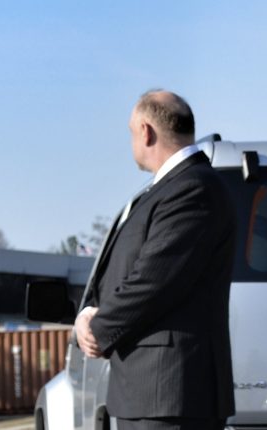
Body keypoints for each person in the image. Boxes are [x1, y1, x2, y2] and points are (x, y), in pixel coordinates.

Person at [73, 90, 237, 430]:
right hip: (150, 393)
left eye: (131, 133)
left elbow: (153, 281)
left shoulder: (193, 187)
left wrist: (97, 330)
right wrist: (88, 311)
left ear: (145, 131)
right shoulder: (165, 190)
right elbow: (125, 273)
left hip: (171, 393)